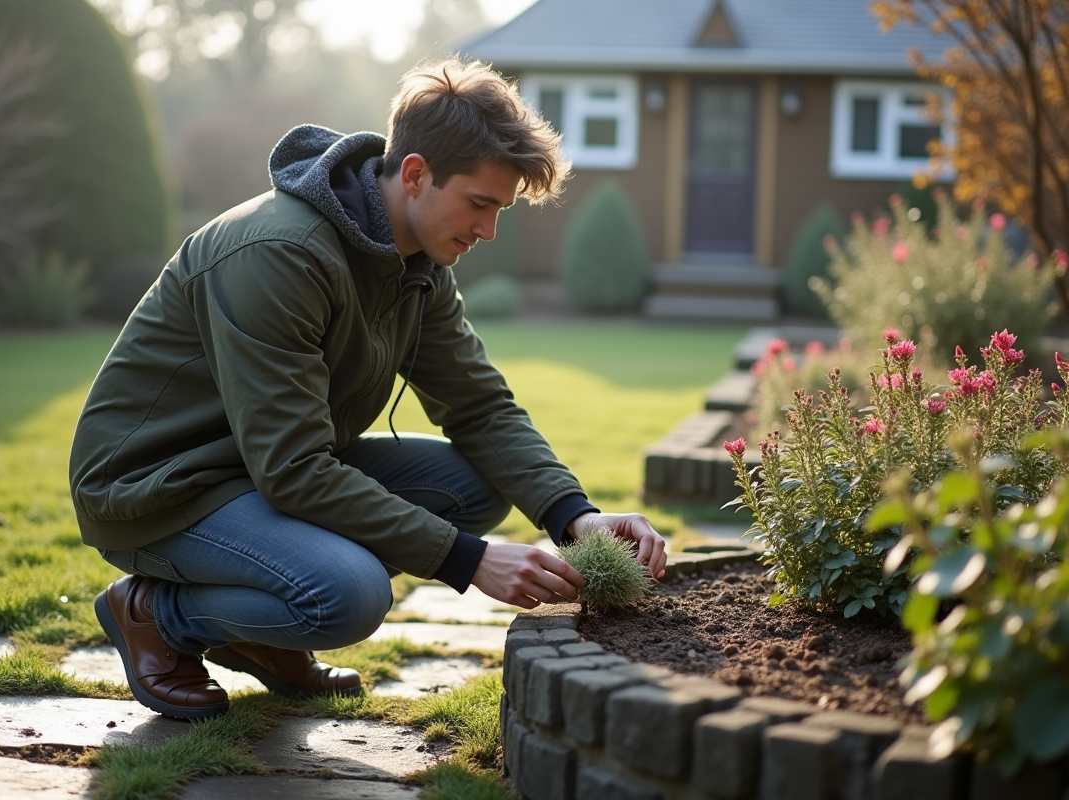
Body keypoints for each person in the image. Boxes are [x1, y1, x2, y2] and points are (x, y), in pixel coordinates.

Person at [68, 57, 668, 721]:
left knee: (474, 485)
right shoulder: (279, 253)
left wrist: (575, 518)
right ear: (414, 175)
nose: (488, 231)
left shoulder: (418, 264)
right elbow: (294, 469)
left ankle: (257, 631)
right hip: (160, 486)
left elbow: (478, 405)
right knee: (346, 595)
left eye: (499, 210)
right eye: (479, 204)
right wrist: (468, 562)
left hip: (259, 466)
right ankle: (157, 613)